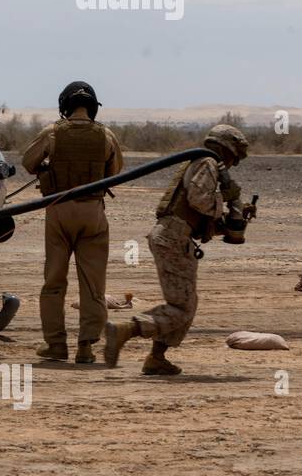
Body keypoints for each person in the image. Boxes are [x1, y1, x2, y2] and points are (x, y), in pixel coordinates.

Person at [105, 124, 253, 375]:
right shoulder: (207, 162)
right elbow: (199, 199)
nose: (231, 165)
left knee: (186, 303)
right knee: (182, 307)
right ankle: (126, 330)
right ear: (225, 149)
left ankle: (156, 358)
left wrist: (235, 218)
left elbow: (197, 215)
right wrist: (227, 200)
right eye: (232, 158)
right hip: (173, 238)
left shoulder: (203, 163)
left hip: (175, 237)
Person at [21, 81, 123, 364]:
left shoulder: (52, 132)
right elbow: (115, 172)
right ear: (92, 107)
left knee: (54, 280)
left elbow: (28, 162)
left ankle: (55, 345)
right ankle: (86, 347)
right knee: (93, 284)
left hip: (58, 211)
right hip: (93, 213)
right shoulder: (106, 135)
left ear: (65, 105)